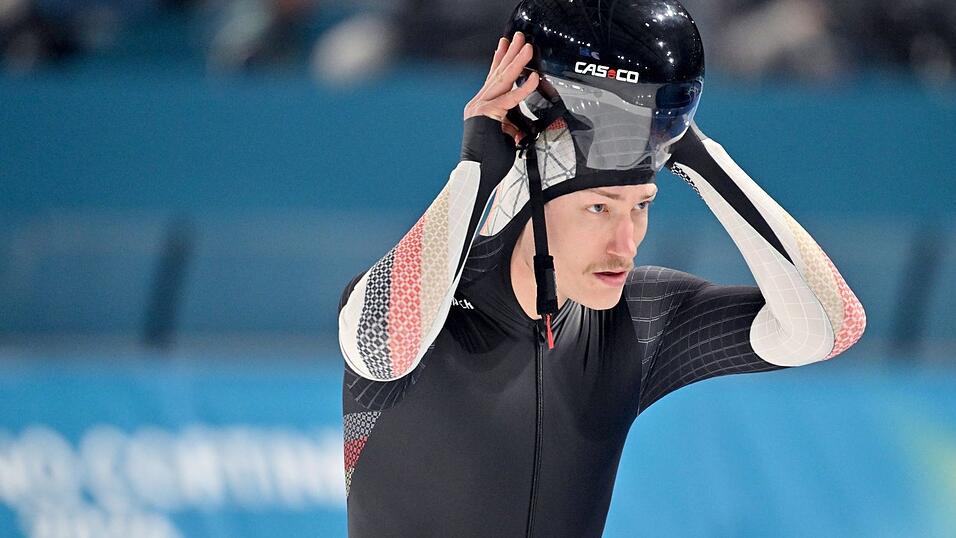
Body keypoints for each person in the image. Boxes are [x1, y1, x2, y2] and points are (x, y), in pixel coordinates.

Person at [337, 1, 866, 536]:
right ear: (530, 195)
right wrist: (478, 168)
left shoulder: (640, 322)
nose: (626, 242)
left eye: (642, 206)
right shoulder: (423, 306)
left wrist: (693, 149)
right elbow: (383, 349)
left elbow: (828, 326)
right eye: (600, 208)